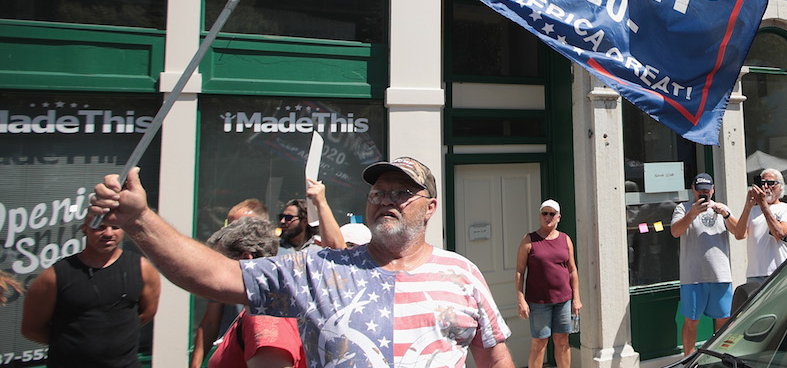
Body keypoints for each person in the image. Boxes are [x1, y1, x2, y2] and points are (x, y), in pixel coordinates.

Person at [90, 157, 514, 368]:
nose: (386, 199)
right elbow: (216, 276)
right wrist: (140, 221)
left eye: (402, 193)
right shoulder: (319, 268)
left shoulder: (462, 274)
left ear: (431, 207)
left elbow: (495, 360)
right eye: (378, 192)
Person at [20, 213, 162, 368]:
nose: (108, 233)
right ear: (85, 229)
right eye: (100, 227)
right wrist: (72, 344)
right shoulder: (54, 276)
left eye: (115, 227)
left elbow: (146, 313)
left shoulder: (142, 269)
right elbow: (31, 328)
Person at [205, 217, 305, 368]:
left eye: (219, 264)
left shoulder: (263, 314)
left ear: (245, 259)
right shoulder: (262, 308)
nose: (211, 274)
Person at [191, 198, 274, 368]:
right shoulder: (225, 267)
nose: (230, 232)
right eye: (229, 224)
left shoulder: (286, 267)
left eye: (238, 226)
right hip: (227, 354)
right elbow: (210, 322)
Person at [669, 173, 741, 356]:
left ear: (713, 189)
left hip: (721, 274)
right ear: (693, 189)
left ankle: (719, 358)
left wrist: (727, 214)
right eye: (700, 189)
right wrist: (692, 213)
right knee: (692, 321)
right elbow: (675, 232)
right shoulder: (683, 208)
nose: (704, 193)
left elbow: (739, 232)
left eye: (707, 190)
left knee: (724, 320)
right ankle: (689, 360)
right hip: (693, 276)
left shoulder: (721, 208)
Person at [515, 199, 582, 368]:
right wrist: (520, 299)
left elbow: (572, 270)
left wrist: (576, 299)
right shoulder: (529, 240)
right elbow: (520, 271)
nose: (548, 217)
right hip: (539, 302)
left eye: (552, 213)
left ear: (558, 217)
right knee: (540, 342)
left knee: (562, 340)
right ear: (540, 216)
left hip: (563, 300)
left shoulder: (565, 240)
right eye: (544, 213)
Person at [732, 168, 787, 315]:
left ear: (780, 187)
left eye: (771, 183)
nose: (766, 187)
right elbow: (739, 234)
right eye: (763, 183)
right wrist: (748, 206)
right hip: (755, 274)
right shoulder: (754, 211)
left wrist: (763, 205)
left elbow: (779, 232)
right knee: (757, 318)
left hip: (780, 272)